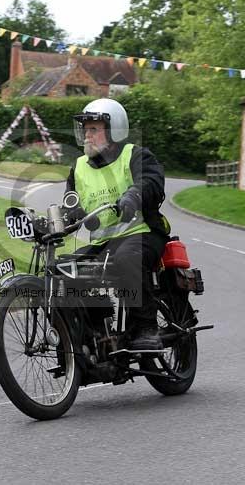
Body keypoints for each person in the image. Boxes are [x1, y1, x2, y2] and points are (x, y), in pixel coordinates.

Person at [66, 98, 170, 350]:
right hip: (103, 242)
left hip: (141, 233)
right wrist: (68, 215)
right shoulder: (79, 167)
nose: (87, 135)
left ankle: (146, 329)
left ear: (114, 132)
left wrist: (134, 195)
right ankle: (97, 333)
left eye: (94, 129)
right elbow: (71, 202)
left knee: (127, 259)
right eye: (85, 129)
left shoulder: (133, 155)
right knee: (65, 271)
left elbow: (152, 181)